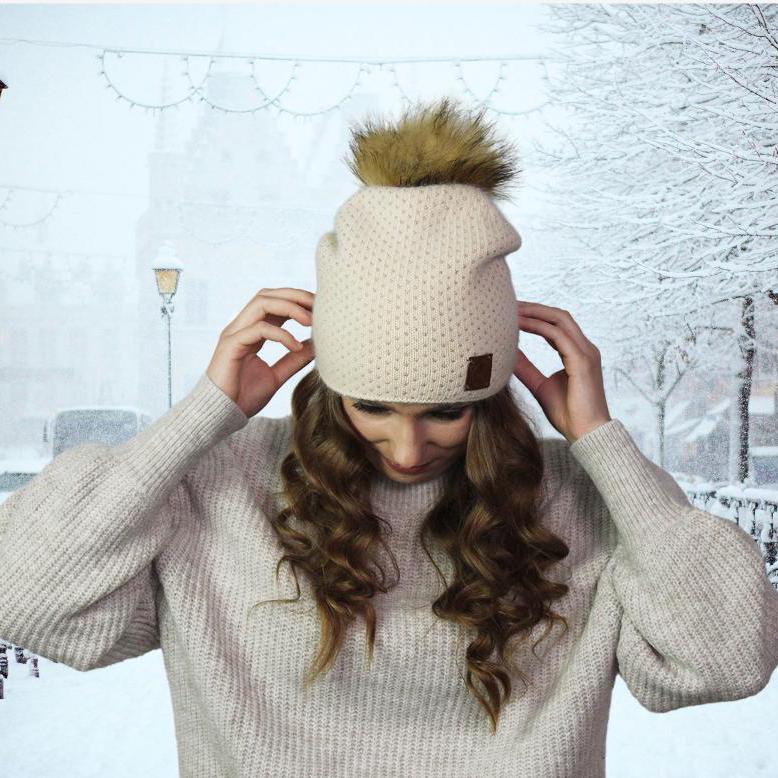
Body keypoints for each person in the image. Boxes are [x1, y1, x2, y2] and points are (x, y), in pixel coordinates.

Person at [1, 96, 777, 777]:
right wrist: (204, 414)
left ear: (496, 393)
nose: (408, 451)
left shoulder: (579, 499)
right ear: (328, 381)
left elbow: (727, 660)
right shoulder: (219, 484)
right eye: (373, 405)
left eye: (447, 410)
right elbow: (28, 597)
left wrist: (602, 442)